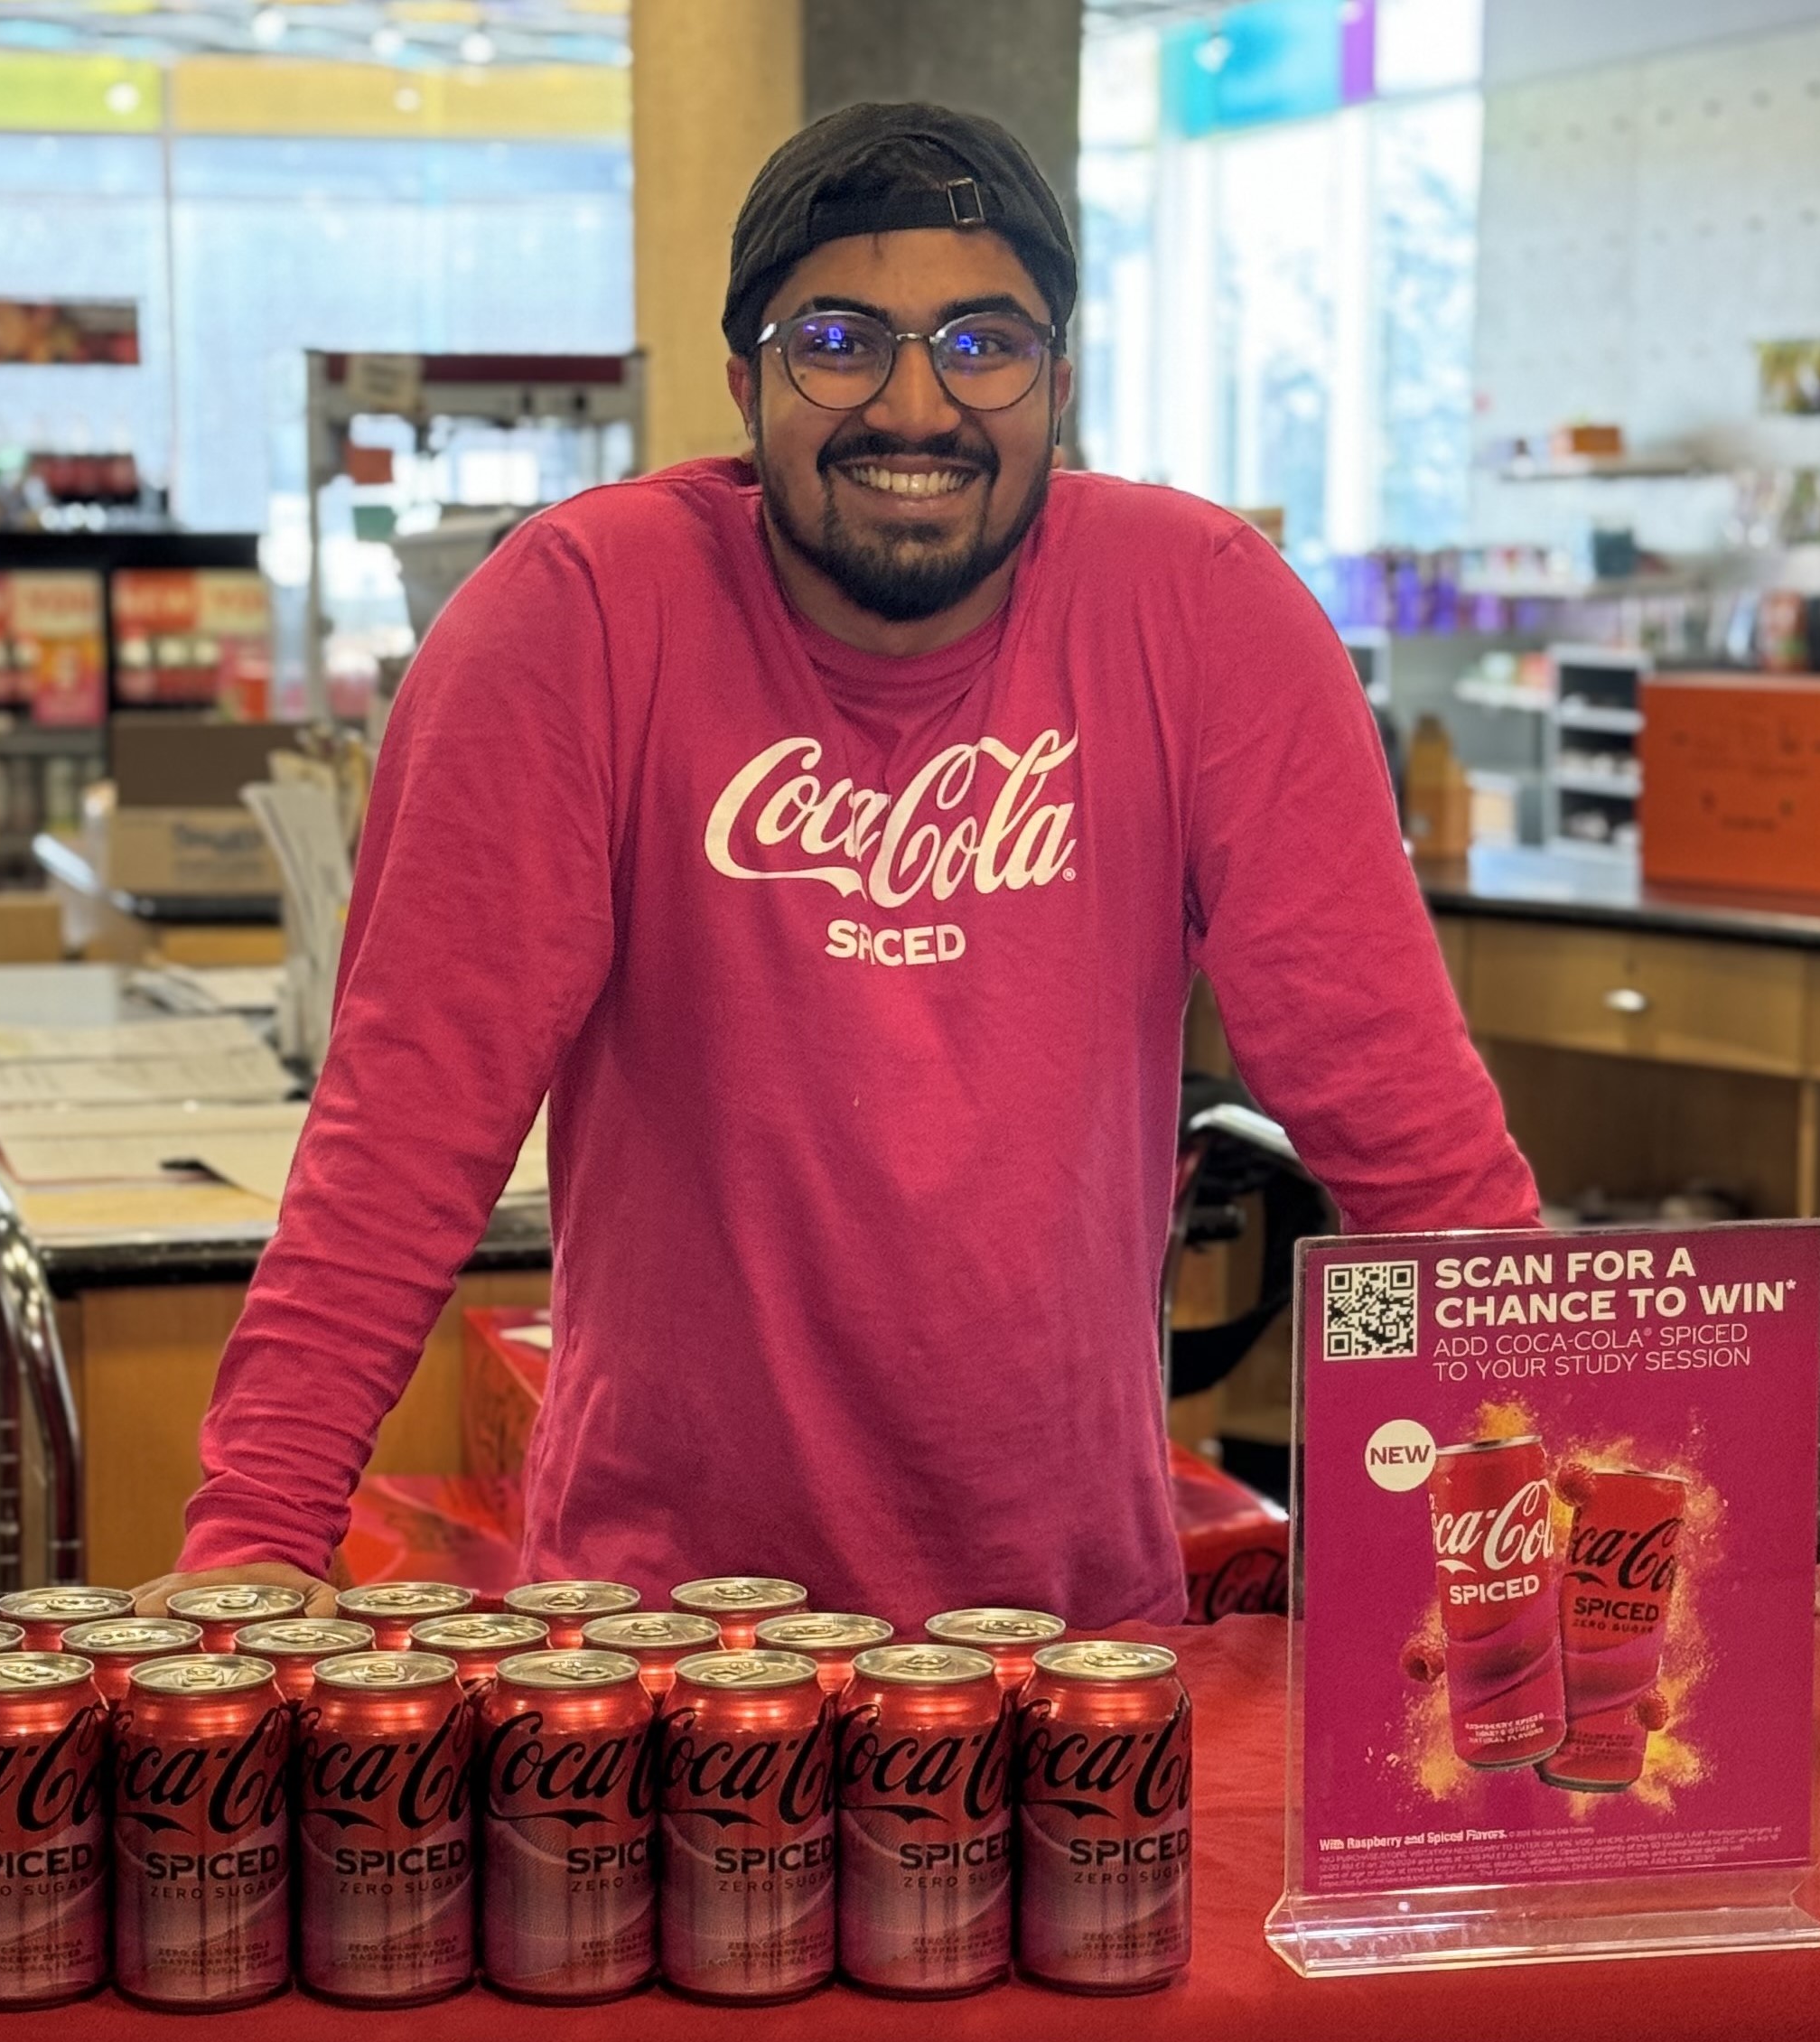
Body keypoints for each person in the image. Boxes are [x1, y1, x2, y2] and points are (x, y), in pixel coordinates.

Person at [138, 103, 1536, 1628]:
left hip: (1073, 1657)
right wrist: (250, 1556)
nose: (915, 406)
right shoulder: (575, 619)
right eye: (837, 339)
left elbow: (1407, 1137)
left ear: (1058, 385)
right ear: (744, 382)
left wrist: (1569, 1485)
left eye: (980, 342)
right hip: (650, 1658)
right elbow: (396, 1148)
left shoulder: (1202, 613)